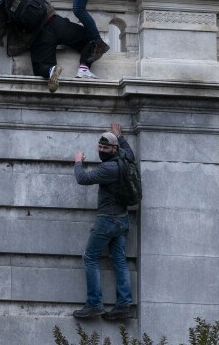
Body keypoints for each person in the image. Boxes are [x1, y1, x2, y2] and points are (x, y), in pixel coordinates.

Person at [0, 0, 104, 90]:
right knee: (91, 38)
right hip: (54, 22)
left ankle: (51, 70)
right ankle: (84, 69)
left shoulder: (0, 3)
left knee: (40, 66)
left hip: (37, 36)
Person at [72, 124, 135, 321]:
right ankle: (124, 305)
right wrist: (119, 136)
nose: (101, 151)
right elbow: (130, 151)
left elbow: (82, 179)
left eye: (105, 148)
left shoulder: (108, 168)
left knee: (90, 258)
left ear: (114, 150)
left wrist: (78, 162)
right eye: (100, 147)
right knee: (119, 261)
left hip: (107, 220)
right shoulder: (126, 159)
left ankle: (94, 304)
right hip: (122, 219)